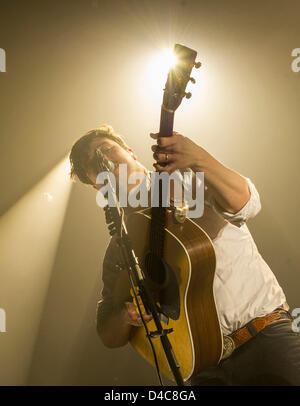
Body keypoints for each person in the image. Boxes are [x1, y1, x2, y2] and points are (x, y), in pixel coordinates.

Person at [69, 124, 300, 386]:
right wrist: (126, 315)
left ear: (130, 152)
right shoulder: (120, 247)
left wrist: (198, 157)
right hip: (204, 372)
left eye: (107, 150)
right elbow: (107, 331)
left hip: (267, 339)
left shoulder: (188, 180)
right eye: (94, 164)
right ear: (95, 187)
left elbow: (248, 204)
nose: (105, 161)